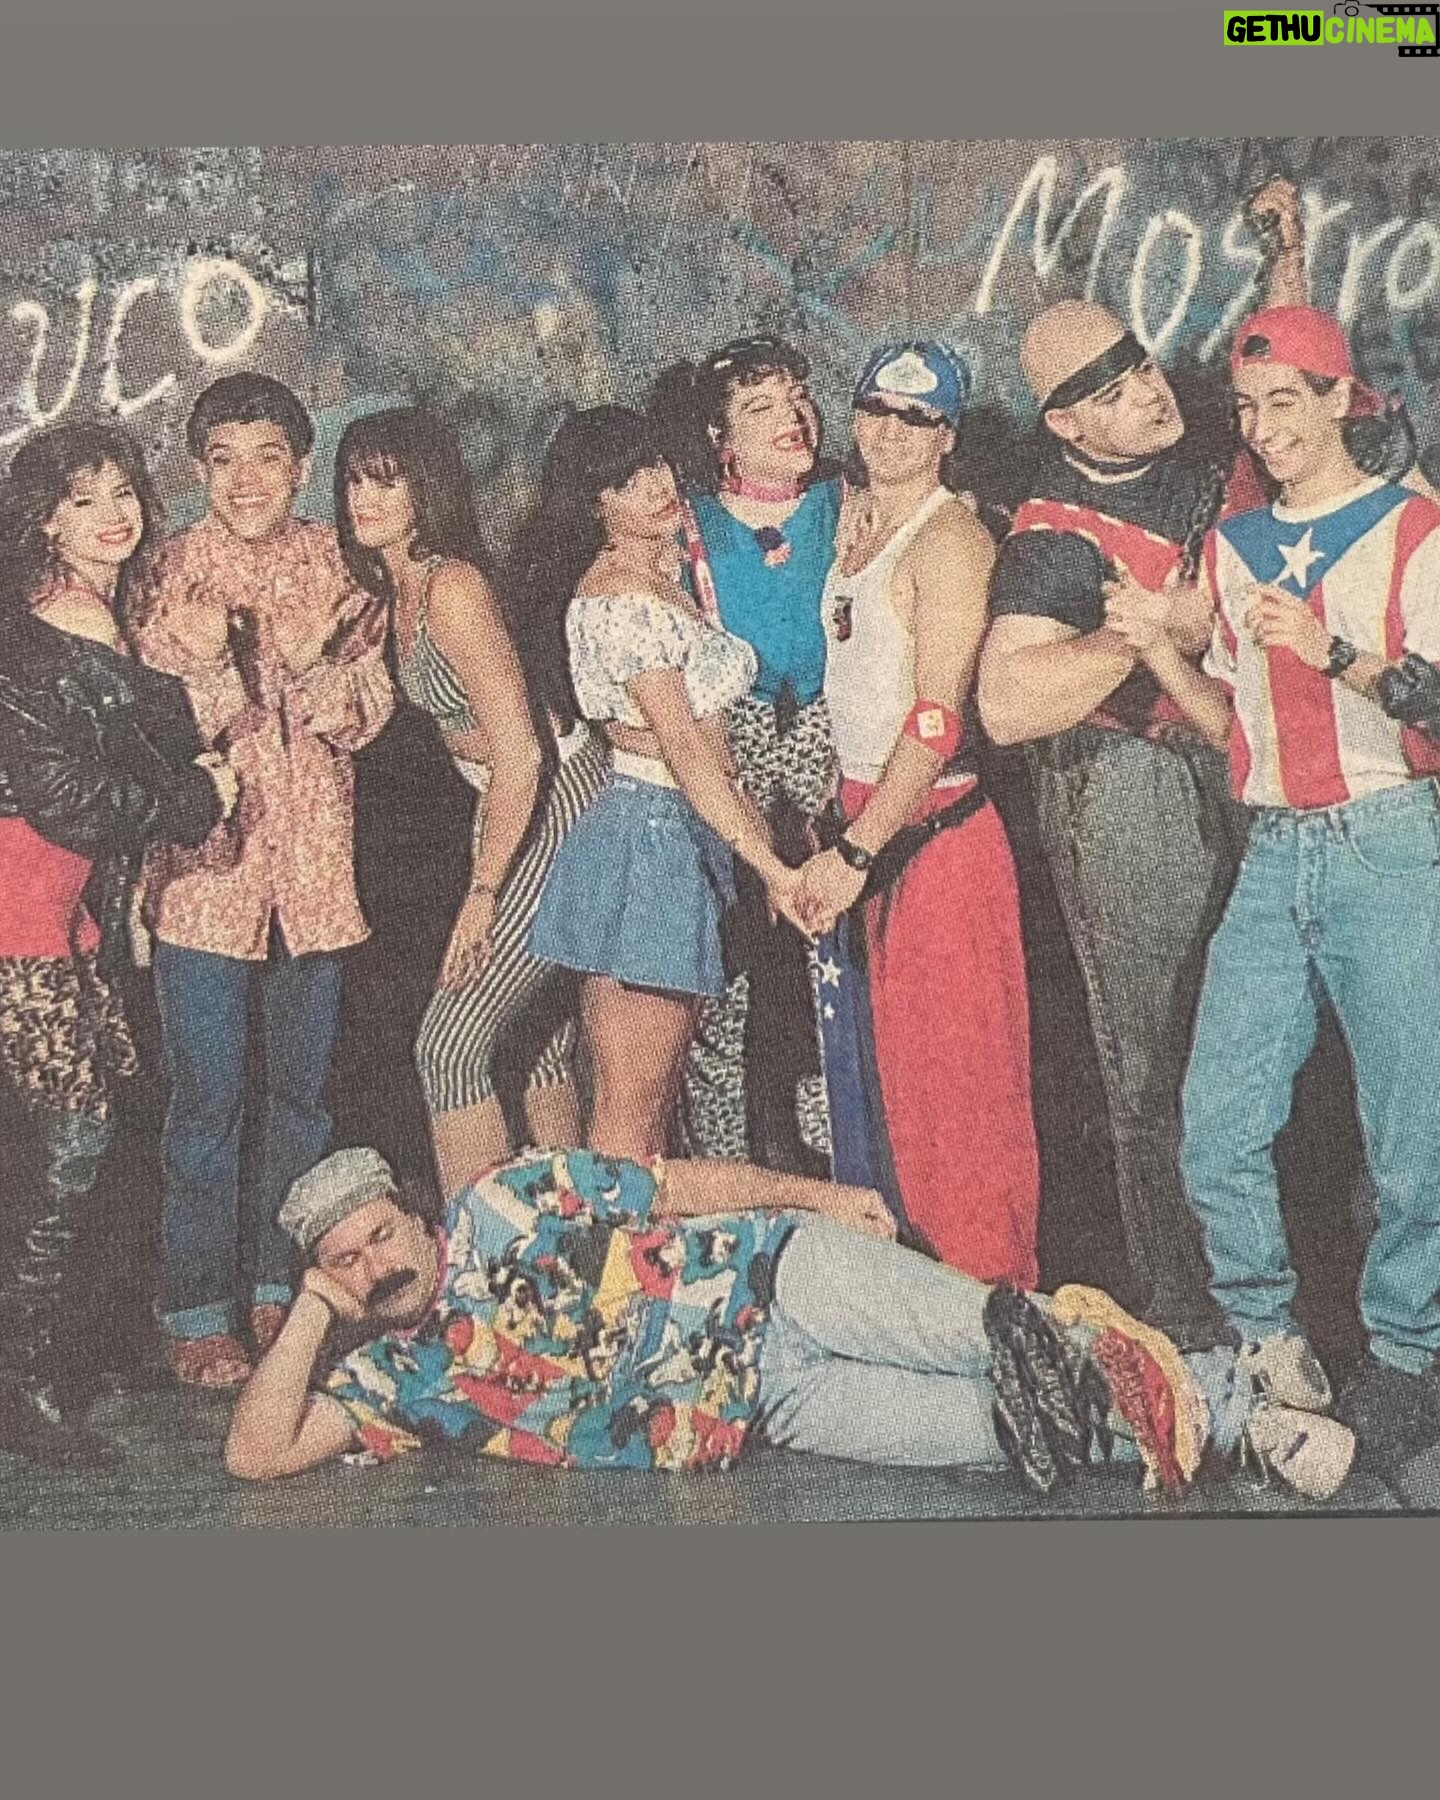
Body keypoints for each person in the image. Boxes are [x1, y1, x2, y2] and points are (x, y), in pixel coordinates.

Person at [222, 1141, 1356, 1505]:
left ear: (416, 1217)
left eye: (379, 1235)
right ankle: (1233, 1416)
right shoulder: (399, 1379)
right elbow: (256, 1454)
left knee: (1003, 1338)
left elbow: (673, 1185)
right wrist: (313, 1315)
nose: (373, 1264)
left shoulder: (501, 1201)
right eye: (343, 1262)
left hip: (775, 1275)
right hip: (769, 1403)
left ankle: (1237, 1392)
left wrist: (816, 1197)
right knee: (1004, 1429)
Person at [975, 179, 1308, 1350]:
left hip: (1247, 753)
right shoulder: (1050, 536)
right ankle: (1186, 1319)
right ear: (1069, 427)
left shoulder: (1200, 437)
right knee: (1157, 1061)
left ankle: (1284, 1303)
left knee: (1280, 1043)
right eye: (1109, 391)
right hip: (1129, 788)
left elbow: (1286, 366)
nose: (1145, 391)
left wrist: (1287, 253)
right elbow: (1005, 703)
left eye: (1140, 364)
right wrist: (1137, 631)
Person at [1153, 305, 1440, 1476]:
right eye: (1247, 408)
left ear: (1338, 400)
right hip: (1275, 851)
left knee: (1414, 1140)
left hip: (1388, 841)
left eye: (1286, 401)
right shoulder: (1231, 547)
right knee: (1215, 1126)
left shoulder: (1413, 528)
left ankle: (1409, 1360)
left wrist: (1333, 654)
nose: (1264, 427)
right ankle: (1272, 1343)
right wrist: (1154, 647)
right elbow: (1237, 722)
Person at [128, 372, 394, 1390]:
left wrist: (315, 659)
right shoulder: (162, 573)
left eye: (269, 458)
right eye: (225, 460)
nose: (247, 481)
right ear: (197, 469)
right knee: (206, 1105)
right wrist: (212, 669)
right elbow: (156, 738)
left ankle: (282, 1283)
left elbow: (365, 713)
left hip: (315, 884)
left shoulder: (338, 561)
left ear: (301, 465)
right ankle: (198, 1308)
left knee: (302, 1098)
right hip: (206, 883)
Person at [0, 421, 238, 1465]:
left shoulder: (84, 613)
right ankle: (22, 1389)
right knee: (66, 1148)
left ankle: (44, 1371)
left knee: (65, 1148)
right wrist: (196, 796)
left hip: (55, 920)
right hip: (20, 921)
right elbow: (70, 796)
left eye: (122, 493)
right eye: (83, 499)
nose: (113, 515)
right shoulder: (61, 620)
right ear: (45, 520)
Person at [798, 342, 1040, 1285]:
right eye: (877, 411)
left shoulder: (951, 542)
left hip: (933, 839)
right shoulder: (856, 521)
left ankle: (996, 1301)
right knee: (893, 1093)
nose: (891, 433)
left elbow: (937, 719)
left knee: (963, 1100)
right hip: (864, 824)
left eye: (917, 419)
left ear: (948, 437)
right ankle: (920, 1308)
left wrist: (857, 851)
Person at [336, 407, 608, 1196]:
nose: (364, 499)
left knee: (450, 1043)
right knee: (537, 1044)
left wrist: (483, 893)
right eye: (354, 480)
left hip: (559, 796)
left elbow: (522, 753)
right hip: (509, 801)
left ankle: (481, 1252)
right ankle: (579, 1231)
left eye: (387, 481)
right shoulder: (394, 586)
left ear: (427, 490)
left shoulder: (452, 586)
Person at [527, 406, 808, 1160]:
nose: (654, 486)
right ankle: (611, 1238)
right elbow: (684, 749)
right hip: (652, 840)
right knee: (632, 1117)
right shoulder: (625, 600)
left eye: (654, 465)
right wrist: (773, 868)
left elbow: (698, 747)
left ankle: (634, 1235)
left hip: (670, 830)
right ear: (595, 505)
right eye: (626, 481)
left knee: (647, 1115)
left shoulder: (656, 578)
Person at [650, 339, 841, 1172]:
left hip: (832, 746)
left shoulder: (846, 502)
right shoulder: (688, 524)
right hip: (731, 751)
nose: (791, 418)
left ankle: (841, 1160)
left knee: (833, 966)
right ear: (720, 437)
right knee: (727, 974)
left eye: (797, 397)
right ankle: (729, 1173)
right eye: (760, 407)